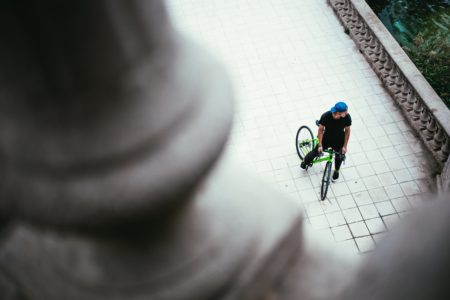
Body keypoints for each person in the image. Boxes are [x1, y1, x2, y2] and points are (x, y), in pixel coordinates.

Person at [300, 101, 351, 180]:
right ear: (339, 113)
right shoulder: (326, 116)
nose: (347, 112)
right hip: (326, 139)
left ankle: (336, 170)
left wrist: (345, 146)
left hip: (339, 140)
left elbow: (347, 131)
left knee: (339, 156)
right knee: (315, 152)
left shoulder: (347, 117)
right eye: (345, 111)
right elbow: (320, 130)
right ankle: (305, 162)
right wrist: (320, 145)